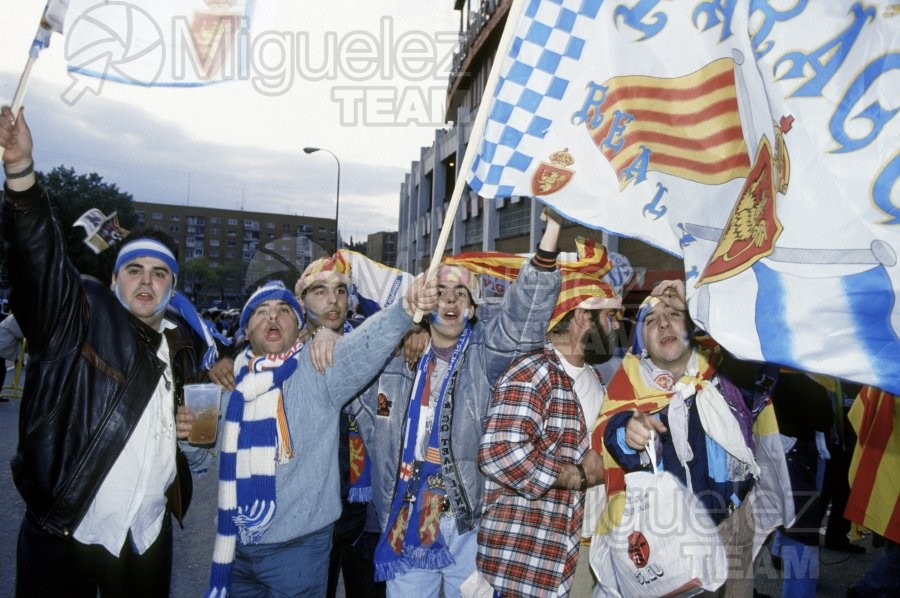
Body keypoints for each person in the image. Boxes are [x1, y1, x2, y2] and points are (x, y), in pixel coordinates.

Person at [1, 106, 219, 596]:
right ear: (114, 279)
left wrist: (194, 440)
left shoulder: (184, 346)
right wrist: (20, 174)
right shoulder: (80, 316)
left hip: (145, 538)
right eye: (134, 270)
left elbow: (192, 451)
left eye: (159, 273)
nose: (147, 281)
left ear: (172, 286)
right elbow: (39, 262)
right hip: (69, 533)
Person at [347, 211, 563, 597]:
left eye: (459, 293)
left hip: (469, 525)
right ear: (423, 304)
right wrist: (331, 337)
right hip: (404, 522)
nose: (449, 300)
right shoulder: (394, 364)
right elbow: (349, 373)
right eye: (440, 293)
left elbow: (523, 317)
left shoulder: (486, 357)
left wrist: (552, 234)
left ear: (473, 306)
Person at [205, 270, 437, 597]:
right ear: (246, 329)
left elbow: (365, 349)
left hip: (318, 531)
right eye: (261, 311)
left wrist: (408, 317)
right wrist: (189, 436)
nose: (333, 300)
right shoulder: (231, 387)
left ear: (297, 324)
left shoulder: (317, 369)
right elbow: (203, 457)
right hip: (235, 546)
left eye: (282, 310)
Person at [595, 280, 785, 598]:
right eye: (651, 321)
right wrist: (629, 433)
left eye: (672, 313)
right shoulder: (630, 388)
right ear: (642, 342)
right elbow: (614, 437)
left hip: (732, 524)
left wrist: (703, 310)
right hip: (669, 538)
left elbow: (763, 362)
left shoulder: (726, 375)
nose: (664, 323)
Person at [476, 251, 621, 597]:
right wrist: (578, 476)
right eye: (610, 316)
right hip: (534, 561)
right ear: (583, 317)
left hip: (584, 549)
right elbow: (499, 453)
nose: (617, 325)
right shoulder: (534, 371)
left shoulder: (596, 377)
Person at [770, 371, 833, 598]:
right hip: (794, 455)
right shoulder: (800, 374)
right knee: (802, 533)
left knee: (791, 521)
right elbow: (822, 417)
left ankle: (778, 553)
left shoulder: (769, 367)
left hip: (777, 451)